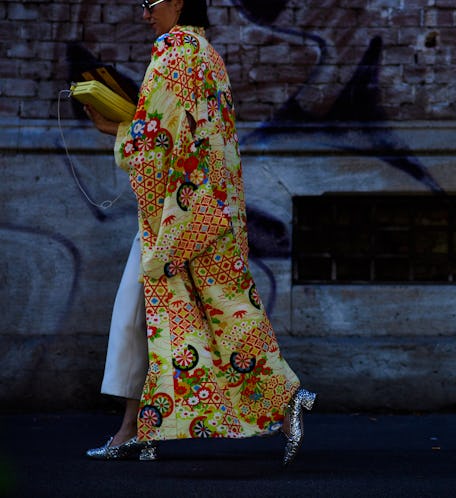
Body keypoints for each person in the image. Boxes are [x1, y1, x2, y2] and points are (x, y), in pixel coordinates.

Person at [84, 0, 314, 466]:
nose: (145, 14)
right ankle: (132, 429)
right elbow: (192, 134)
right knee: (142, 312)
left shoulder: (173, 53)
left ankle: (287, 396)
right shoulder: (207, 54)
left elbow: (155, 140)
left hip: (180, 216)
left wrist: (115, 128)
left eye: (150, 4)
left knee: (225, 314)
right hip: (205, 209)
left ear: (177, 2)